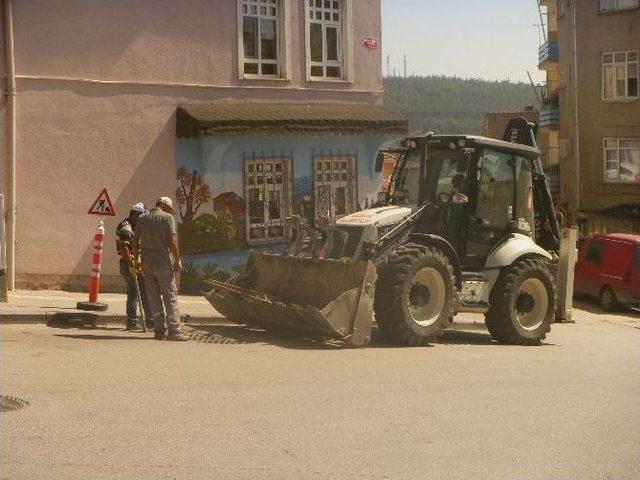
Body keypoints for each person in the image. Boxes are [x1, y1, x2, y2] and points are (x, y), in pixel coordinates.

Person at [132, 196, 188, 341]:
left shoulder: (142, 218)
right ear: (166, 206)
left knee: (154, 298)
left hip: (146, 263)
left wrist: (136, 260)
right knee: (170, 297)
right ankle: (175, 331)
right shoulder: (167, 218)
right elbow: (172, 242)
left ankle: (158, 331)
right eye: (170, 209)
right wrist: (177, 260)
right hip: (163, 263)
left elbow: (135, 241)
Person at [116, 203, 152, 331]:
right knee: (144, 292)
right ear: (135, 214)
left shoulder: (133, 225)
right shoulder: (126, 227)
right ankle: (151, 321)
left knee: (133, 293)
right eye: (141, 216)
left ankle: (132, 322)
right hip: (129, 263)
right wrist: (132, 266)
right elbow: (124, 248)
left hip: (130, 263)